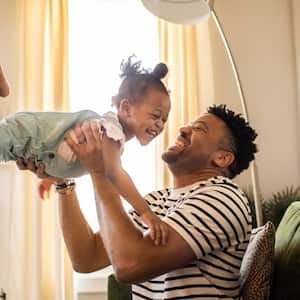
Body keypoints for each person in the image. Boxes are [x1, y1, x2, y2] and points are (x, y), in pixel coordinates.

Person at [17, 104, 257, 299]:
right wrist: (64, 182)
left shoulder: (223, 197)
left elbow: (129, 265)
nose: (183, 128)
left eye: (199, 128)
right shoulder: (156, 201)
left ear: (222, 158)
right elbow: (86, 258)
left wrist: (101, 171)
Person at [5, 56, 171, 244]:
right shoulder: (111, 131)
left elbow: (63, 147)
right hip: (23, 133)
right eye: (155, 115)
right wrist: (146, 212)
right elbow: (114, 174)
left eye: (164, 120)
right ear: (126, 108)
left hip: (23, 141)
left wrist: (51, 176)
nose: (160, 124)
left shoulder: (109, 135)